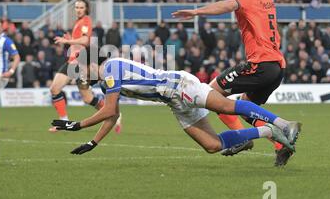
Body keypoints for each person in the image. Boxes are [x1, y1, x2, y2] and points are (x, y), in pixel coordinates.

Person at [49, 57, 301, 165]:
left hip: (180, 86)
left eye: (81, 72)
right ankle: (269, 131)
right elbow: (111, 114)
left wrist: (76, 125)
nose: (81, 77)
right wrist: (93, 142)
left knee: (226, 106)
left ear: (90, 63)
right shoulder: (107, 84)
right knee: (212, 145)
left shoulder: (112, 68)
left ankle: (283, 123)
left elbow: (109, 110)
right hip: (174, 102)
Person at [172, 0, 291, 166]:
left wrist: (196, 12)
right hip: (277, 67)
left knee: (210, 93)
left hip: (260, 64)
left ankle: (245, 138)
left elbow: (226, 5)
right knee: (246, 107)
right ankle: (280, 144)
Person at [49, 0, 122, 133]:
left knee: (85, 97)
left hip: (80, 62)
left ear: (86, 9)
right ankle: (64, 121)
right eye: (76, 7)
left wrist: (67, 41)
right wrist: (71, 40)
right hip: (73, 61)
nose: (78, 10)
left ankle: (114, 115)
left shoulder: (86, 21)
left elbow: (85, 40)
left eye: (81, 7)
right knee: (59, 90)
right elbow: (79, 42)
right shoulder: (78, 22)